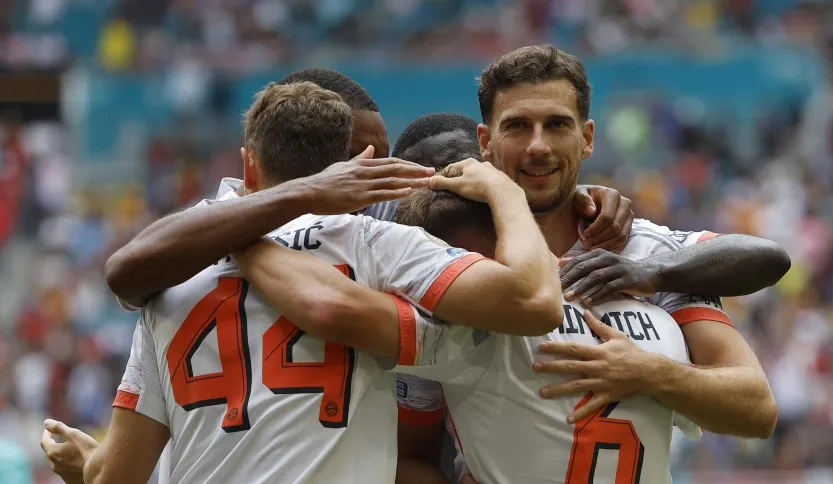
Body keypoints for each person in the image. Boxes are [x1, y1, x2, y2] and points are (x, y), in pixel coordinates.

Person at [43, 80, 572, 484]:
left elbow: (117, 476)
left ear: (248, 166)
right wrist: (507, 191)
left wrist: (83, 465)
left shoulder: (171, 279)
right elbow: (530, 298)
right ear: (350, 163)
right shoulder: (375, 246)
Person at [380, 111, 788, 482]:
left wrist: (649, 365)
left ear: (491, 170)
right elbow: (411, 459)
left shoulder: (636, 249)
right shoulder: (425, 294)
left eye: (455, 174)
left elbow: (758, 406)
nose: (440, 191)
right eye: (424, 183)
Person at [102, 69, 635, 311]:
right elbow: (126, 273)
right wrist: (303, 197)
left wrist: (578, 192)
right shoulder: (207, 227)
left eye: (384, 159)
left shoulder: (382, 221)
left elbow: (458, 197)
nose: (377, 172)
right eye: (363, 158)